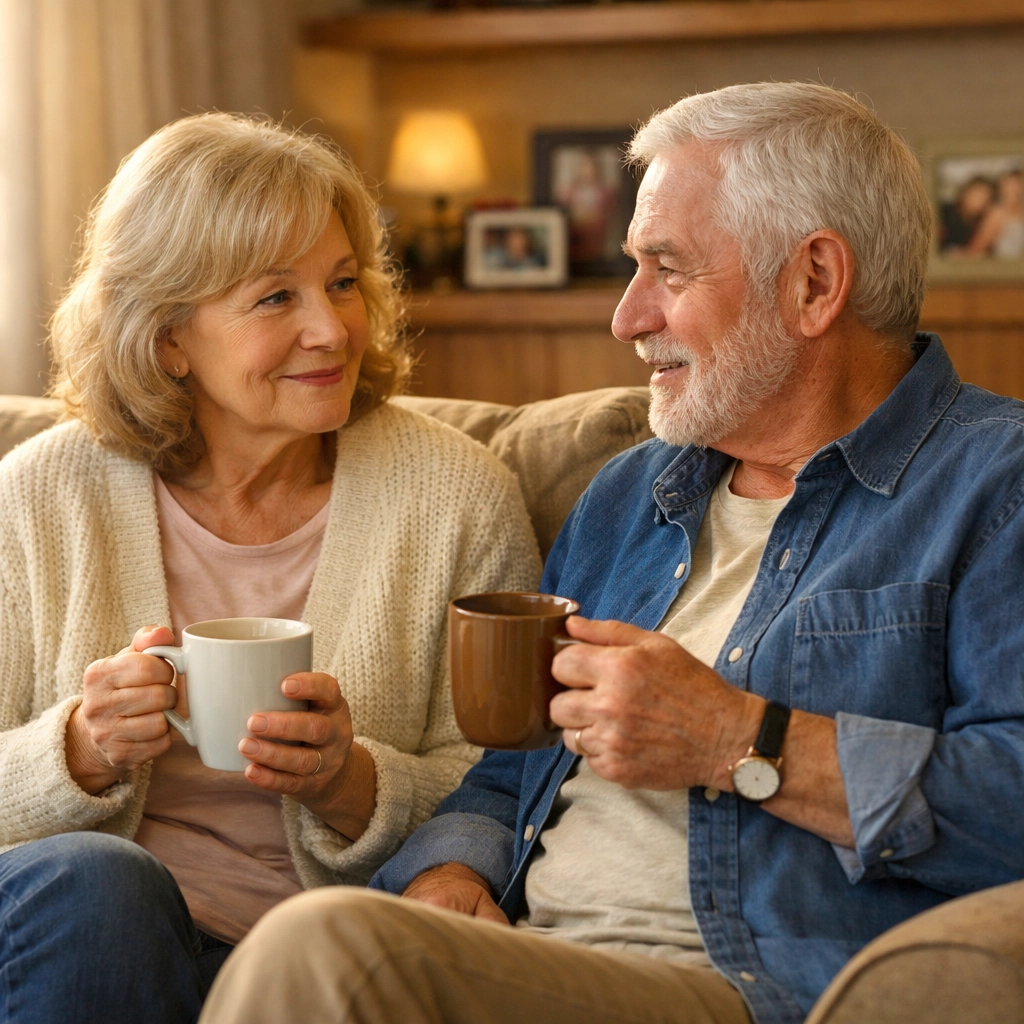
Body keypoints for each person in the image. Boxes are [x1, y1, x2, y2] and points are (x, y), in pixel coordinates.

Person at [198, 83, 1024, 1024]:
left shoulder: (996, 490)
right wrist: (451, 868)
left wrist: (736, 739)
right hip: (534, 961)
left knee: (326, 945)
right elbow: (513, 763)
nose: (627, 318)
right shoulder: (634, 495)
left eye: (667, 270)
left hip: (753, 985)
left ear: (815, 284)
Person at [0, 113, 540, 1023]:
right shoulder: (37, 499)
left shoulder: (456, 494)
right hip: (91, 938)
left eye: (341, 284)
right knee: (100, 884)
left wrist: (348, 782)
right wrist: (79, 752)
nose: (333, 330)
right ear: (169, 337)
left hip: (324, 955)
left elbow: (514, 775)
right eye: (274, 298)